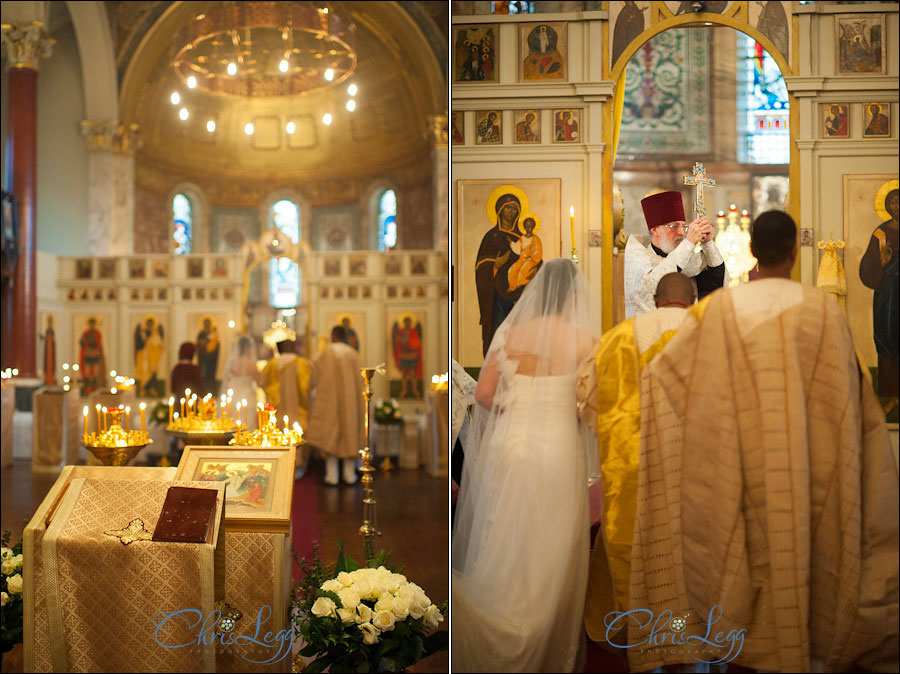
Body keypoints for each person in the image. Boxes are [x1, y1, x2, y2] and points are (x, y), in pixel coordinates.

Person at [622, 211, 899, 672]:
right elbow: (849, 395)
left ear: (752, 251)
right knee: (805, 559)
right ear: (794, 252)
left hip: (741, 467)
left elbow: (665, 378)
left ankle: (744, 644)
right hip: (811, 466)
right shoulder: (822, 310)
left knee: (745, 562)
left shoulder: (719, 310)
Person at [452, 259, 597, 672]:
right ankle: (544, 639)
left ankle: (497, 619)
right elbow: (589, 405)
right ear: (572, 296)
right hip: (558, 448)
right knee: (552, 545)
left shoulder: (510, 333)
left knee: (509, 537)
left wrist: (517, 411)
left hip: (512, 445)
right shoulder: (585, 341)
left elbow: (482, 395)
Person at [574, 272, 695, 640]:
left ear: (657, 300)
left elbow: (586, 397)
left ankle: (639, 635)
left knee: (634, 550)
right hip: (696, 474)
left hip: (634, 475)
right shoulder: (713, 332)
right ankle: (687, 633)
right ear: (693, 298)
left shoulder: (620, 337)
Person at [624, 189, 726, 317]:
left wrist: (708, 243)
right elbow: (651, 288)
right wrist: (688, 243)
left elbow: (714, 283)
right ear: (655, 230)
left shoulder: (687, 258)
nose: (682, 233)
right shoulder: (638, 259)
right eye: (674, 226)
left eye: (683, 226)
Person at [306, 326, 364, 486]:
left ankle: (332, 475)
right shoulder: (353, 354)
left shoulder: (325, 352)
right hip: (349, 402)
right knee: (349, 434)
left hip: (329, 401)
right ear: (345, 337)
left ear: (333, 336)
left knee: (329, 435)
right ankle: (349, 474)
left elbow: (312, 372)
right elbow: (361, 382)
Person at [859, 187, 899, 414]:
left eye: (899, 202)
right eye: (893, 202)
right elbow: (867, 268)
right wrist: (882, 262)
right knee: (887, 340)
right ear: (887, 206)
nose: (896, 206)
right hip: (887, 296)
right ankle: (891, 397)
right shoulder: (880, 234)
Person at [475, 190, 526, 355]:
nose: (511, 212)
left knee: (517, 332)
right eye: (508, 208)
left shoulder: (523, 238)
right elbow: (481, 268)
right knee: (498, 331)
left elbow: (531, 262)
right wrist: (496, 264)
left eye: (514, 209)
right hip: (497, 295)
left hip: (517, 293)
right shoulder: (491, 237)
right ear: (500, 210)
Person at [258, 340, 311, 454]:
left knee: (277, 431)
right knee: (296, 434)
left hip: (277, 406)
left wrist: (272, 390)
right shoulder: (301, 363)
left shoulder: (272, 364)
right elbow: (306, 387)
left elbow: (261, 382)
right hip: (296, 406)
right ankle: (298, 465)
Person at [223, 335, 260, 428]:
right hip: (248, 398)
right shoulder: (252, 364)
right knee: (247, 425)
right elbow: (259, 382)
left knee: (233, 424)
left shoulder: (232, 362)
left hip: (233, 398)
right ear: (249, 348)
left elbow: (227, 381)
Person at [507, 215, 543, 291]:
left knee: (523, 270)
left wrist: (532, 257)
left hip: (531, 260)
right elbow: (517, 248)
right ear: (524, 227)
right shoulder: (522, 238)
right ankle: (512, 287)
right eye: (526, 227)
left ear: (533, 227)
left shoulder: (535, 239)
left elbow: (538, 251)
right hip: (522, 259)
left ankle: (521, 286)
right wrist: (511, 242)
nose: (528, 228)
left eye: (530, 226)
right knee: (512, 270)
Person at [79, 317, 106, 394]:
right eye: (91, 324)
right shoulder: (86, 333)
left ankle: (95, 387)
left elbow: (99, 344)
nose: (92, 325)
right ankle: (87, 387)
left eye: (93, 324)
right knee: (87, 372)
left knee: (95, 371)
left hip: (95, 353)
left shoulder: (97, 333)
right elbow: (83, 343)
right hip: (88, 353)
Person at [196, 316, 220, 395]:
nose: (207, 325)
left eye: (208, 323)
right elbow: (199, 343)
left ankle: (211, 391)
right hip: (203, 359)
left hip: (211, 359)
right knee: (203, 376)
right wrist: (205, 341)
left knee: (211, 376)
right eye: (206, 323)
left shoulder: (213, 333)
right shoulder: (201, 333)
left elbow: (217, 346)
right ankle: (202, 392)